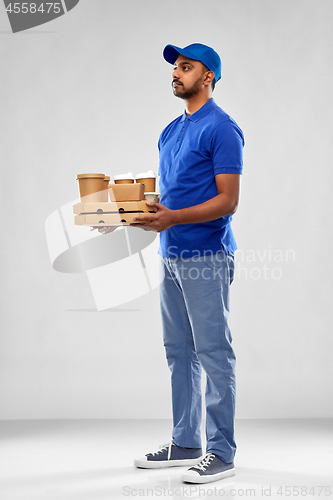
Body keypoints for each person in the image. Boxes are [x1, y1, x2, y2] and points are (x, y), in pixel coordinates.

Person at [132, 43, 244, 484]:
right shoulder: (170, 131)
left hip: (206, 256)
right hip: (171, 255)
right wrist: (126, 216)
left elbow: (228, 200)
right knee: (178, 352)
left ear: (209, 76)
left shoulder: (222, 129)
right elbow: (171, 197)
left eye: (186, 67)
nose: (176, 73)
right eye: (175, 67)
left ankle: (221, 451)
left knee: (213, 353)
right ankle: (186, 442)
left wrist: (173, 218)